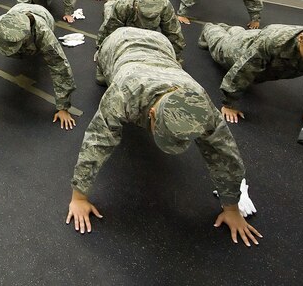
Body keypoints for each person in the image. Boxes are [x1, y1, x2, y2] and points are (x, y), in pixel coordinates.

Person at [67, 27, 261, 246]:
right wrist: (79, 197)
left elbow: (225, 153)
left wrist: (232, 208)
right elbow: (97, 141)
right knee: (103, 80)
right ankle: (101, 66)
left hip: (160, 44)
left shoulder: (200, 105)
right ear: (151, 113)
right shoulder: (125, 93)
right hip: (118, 44)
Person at [199, 13, 303, 123]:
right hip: (240, 50)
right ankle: (210, 28)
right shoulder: (274, 42)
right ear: (301, 39)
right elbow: (244, 70)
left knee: (242, 34)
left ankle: (231, 29)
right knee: (220, 44)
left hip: (256, 38)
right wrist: (229, 103)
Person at [96, 0, 185, 67]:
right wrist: (101, 50)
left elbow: (174, 33)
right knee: (109, 11)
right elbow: (109, 29)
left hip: (143, 21)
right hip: (123, 12)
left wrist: (175, 58)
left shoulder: (165, 6)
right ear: (136, 7)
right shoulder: (123, 4)